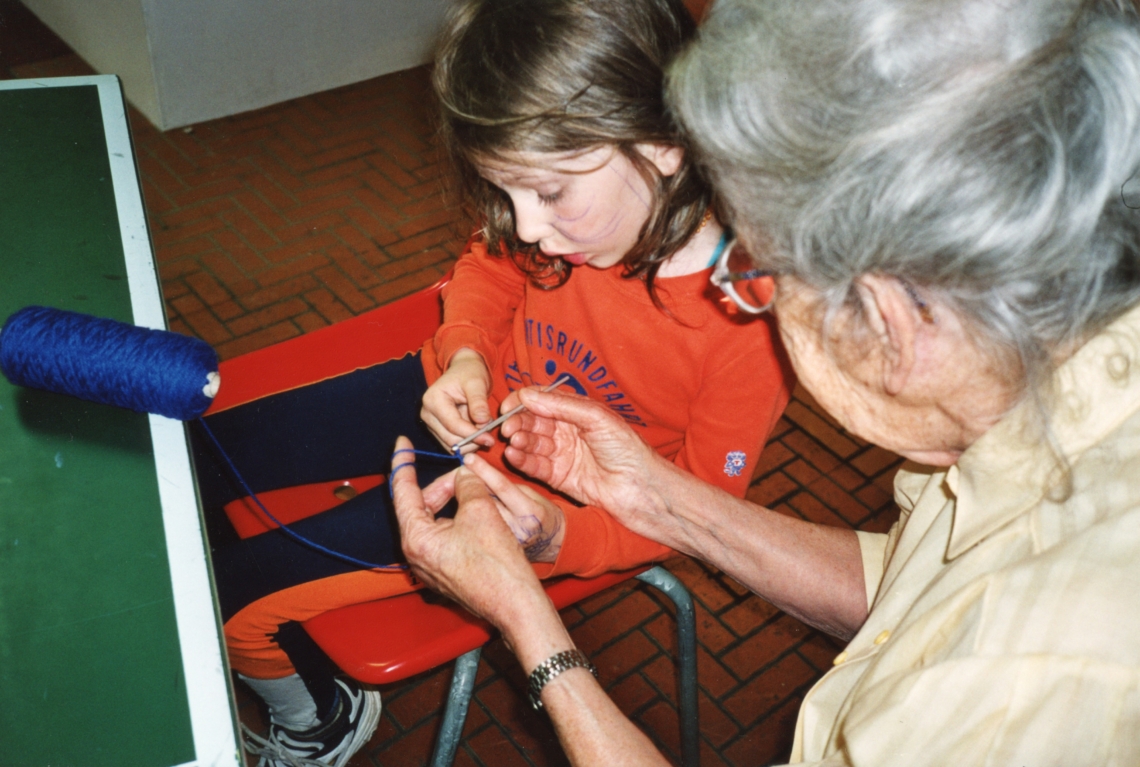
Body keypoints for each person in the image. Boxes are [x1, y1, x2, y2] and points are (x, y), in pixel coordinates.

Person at [390, 0, 1140, 764]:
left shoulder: (1027, 685)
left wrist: (529, 622)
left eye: (755, 269)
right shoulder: (1042, 410)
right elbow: (911, 580)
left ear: (891, 316)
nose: (741, 289)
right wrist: (657, 496)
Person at [191, 0, 791, 764]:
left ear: (664, 145)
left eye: (549, 193)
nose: (528, 227)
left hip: (515, 506)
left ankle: (319, 720)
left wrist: (562, 536)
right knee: (195, 456)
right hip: (446, 396)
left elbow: (699, 515)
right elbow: (489, 268)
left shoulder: (748, 328)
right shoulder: (563, 215)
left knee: (229, 599)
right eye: (506, 193)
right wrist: (466, 353)